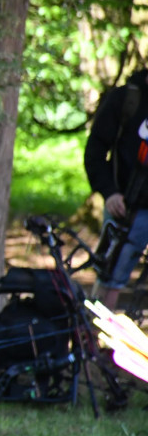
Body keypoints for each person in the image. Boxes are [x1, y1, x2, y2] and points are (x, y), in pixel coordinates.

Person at [84, 68, 148, 309]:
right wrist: (109, 192)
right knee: (111, 276)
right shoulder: (126, 100)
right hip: (126, 209)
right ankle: (97, 341)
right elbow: (95, 152)